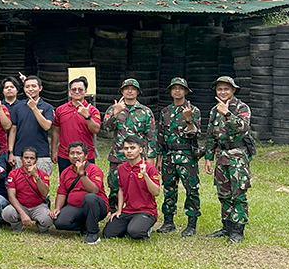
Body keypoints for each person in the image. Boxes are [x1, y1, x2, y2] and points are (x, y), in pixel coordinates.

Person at [203, 76, 252, 243]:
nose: (223, 92)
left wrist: (228, 113)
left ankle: (238, 230)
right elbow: (210, 135)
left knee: (238, 193)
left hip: (237, 155)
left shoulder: (241, 107)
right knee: (223, 193)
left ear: (233, 90)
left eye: (226, 89)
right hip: (221, 156)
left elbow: (243, 127)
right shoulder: (214, 110)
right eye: (219, 89)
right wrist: (208, 157)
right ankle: (227, 226)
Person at [102, 78, 157, 212]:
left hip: (138, 157)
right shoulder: (113, 109)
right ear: (122, 91)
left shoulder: (145, 111)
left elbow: (151, 136)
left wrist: (151, 157)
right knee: (114, 186)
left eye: (133, 89)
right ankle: (115, 213)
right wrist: (115, 114)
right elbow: (106, 128)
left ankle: (139, 211)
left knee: (139, 187)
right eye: (127, 88)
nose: (130, 91)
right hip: (118, 156)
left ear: (138, 92)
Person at [155, 77, 201, 236]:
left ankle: (192, 223)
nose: (177, 91)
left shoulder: (193, 110)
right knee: (168, 189)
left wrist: (188, 119)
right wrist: (159, 159)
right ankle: (168, 222)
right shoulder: (165, 112)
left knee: (191, 189)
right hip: (168, 157)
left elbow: (195, 133)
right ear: (170, 91)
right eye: (174, 88)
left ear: (186, 91)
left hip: (187, 156)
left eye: (180, 88)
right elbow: (160, 136)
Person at [49, 141, 108, 245]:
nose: (75, 156)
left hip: (96, 206)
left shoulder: (94, 169)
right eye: (72, 153)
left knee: (89, 198)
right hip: (75, 207)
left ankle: (93, 234)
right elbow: (61, 192)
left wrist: (82, 174)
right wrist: (57, 208)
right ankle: (86, 225)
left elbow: (94, 191)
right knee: (60, 222)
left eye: (78, 153)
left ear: (86, 156)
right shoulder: (66, 172)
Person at [103, 135, 161, 240]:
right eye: (126, 148)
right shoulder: (121, 168)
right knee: (108, 233)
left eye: (132, 148)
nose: (129, 151)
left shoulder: (149, 168)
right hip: (128, 210)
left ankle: (144, 228)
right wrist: (119, 210)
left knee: (135, 233)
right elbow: (121, 189)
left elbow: (156, 192)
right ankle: (133, 224)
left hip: (146, 211)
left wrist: (145, 175)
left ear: (140, 149)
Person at [50, 76, 101, 174]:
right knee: (67, 184)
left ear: (85, 91)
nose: (77, 92)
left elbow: (95, 130)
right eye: (74, 89)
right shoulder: (60, 110)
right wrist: (53, 151)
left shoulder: (92, 110)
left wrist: (87, 116)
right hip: (65, 155)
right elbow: (55, 131)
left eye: (80, 89)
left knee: (86, 184)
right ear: (69, 91)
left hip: (86, 155)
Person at [7, 75, 55, 177]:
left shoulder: (47, 107)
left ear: (40, 88)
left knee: (41, 186)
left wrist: (34, 108)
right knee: (21, 186)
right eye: (27, 87)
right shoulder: (17, 107)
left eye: (33, 86)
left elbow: (46, 126)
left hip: (41, 154)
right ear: (24, 89)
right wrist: (11, 152)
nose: (30, 89)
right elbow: (13, 130)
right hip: (19, 153)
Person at [0, 147, 52, 233]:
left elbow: (44, 193)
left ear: (36, 160)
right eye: (26, 158)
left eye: (32, 158)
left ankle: (42, 227)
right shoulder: (13, 174)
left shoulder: (43, 174)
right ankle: (17, 225)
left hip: (38, 205)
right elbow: (11, 196)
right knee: (7, 213)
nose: (28, 161)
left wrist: (36, 176)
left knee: (48, 219)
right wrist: (22, 214)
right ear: (21, 159)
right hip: (21, 205)